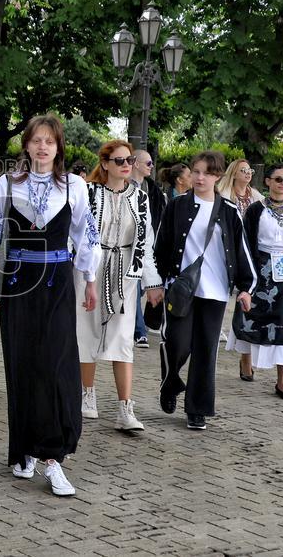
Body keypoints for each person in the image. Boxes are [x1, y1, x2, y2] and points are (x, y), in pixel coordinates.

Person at [0, 114, 101, 497]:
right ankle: (24, 449)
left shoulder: (75, 185)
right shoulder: (8, 183)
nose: (43, 147)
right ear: (26, 145)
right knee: (22, 364)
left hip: (58, 283)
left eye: (50, 141)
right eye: (36, 140)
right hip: (18, 284)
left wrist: (90, 278)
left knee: (56, 366)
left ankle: (53, 457)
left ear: (58, 146)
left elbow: (86, 233)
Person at [154, 151, 257, 431]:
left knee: (205, 350)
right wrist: (158, 282)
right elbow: (160, 246)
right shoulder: (177, 206)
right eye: (196, 172)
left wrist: (246, 288)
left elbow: (242, 251)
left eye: (207, 173)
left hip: (215, 291)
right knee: (177, 342)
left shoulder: (229, 211)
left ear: (218, 176)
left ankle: (197, 409)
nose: (200, 178)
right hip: (180, 289)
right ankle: (170, 382)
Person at [77, 140, 164, 432]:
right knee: (86, 332)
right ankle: (86, 394)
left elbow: (146, 243)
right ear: (104, 164)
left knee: (123, 338)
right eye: (119, 160)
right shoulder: (88, 192)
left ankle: (125, 408)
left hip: (126, 271)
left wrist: (152, 282)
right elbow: (75, 234)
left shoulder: (140, 197)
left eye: (129, 160)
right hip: (90, 269)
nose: (126, 165)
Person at [227, 164, 283, 400]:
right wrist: (245, 280)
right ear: (268, 182)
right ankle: (246, 359)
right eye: (279, 179)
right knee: (252, 317)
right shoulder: (255, 210)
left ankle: (282, 381)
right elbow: (246, 244)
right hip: (259, 269)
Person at [216, 158, 265, 366]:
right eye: (243, 170)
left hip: (249, 248)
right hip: (229, 246)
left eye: (249, 170)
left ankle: (244, 342)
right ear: (234, 173)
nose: (247, 173)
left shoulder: (256, 197)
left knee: (246, 292)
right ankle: (217, 325)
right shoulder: (224, 194)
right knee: (222, 287)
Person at [130, 149, 167, 347]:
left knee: (138, 290)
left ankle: (137, 328)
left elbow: (156, 218)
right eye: (148, 163)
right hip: (127, 248)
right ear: (135, 163)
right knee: (135, 290)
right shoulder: (124, 185)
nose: (151, 167)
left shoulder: (152, 190)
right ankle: (139, 331)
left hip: (146, 243)